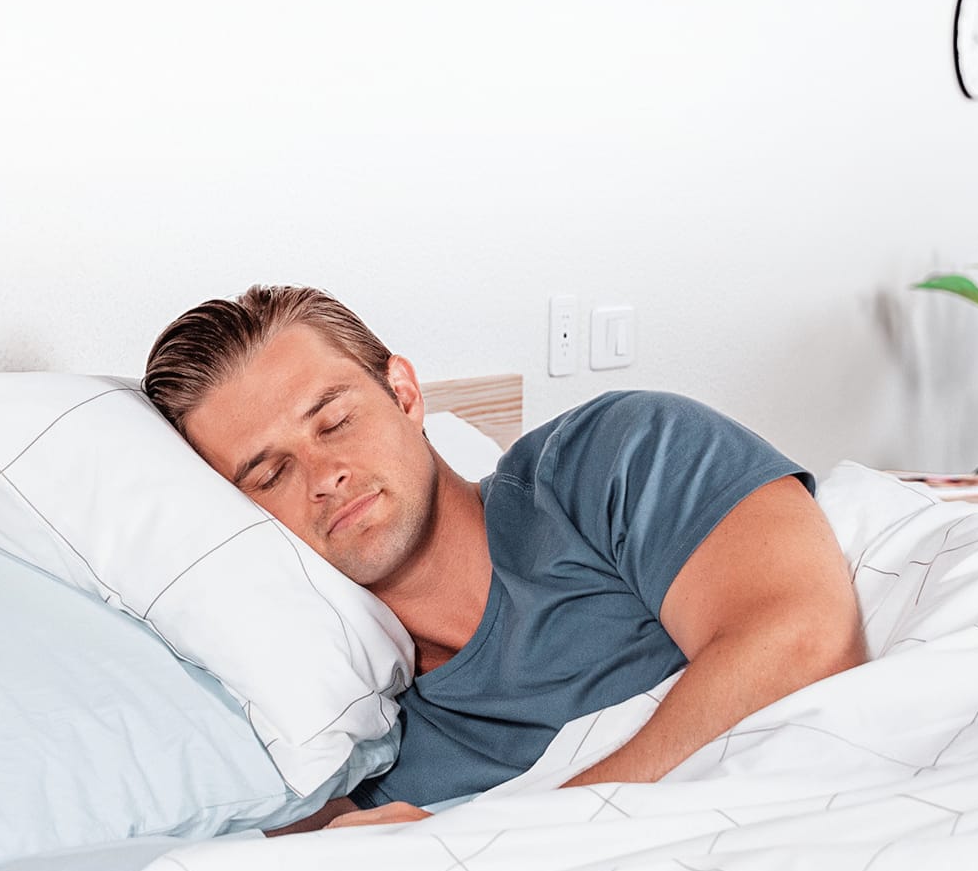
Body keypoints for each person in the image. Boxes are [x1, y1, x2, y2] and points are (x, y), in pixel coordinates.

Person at [143, 285, 867, 832]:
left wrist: (512, 837)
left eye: (335, 420)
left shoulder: (613, 458)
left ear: (404, 394)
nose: (323, 474)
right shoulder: (363, 747)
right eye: (271, 474)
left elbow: (806, 640)